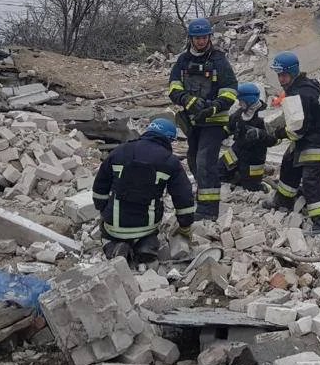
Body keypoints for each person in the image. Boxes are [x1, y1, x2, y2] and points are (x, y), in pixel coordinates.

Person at [92, 119, 195, 264]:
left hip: (115, 224)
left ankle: (114, 246)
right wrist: (185, 225)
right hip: (147, 226)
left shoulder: (119, 151)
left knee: (107, 234)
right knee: (150, 233)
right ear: (169, 139)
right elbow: (183, 197)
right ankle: (146, 246)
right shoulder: (170, 161)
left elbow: (99, 186)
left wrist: (103, 209)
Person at [261, 51, 320, 236]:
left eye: (284, 75)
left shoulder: (300, 94)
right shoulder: (301, 86)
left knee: (311, 179)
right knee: (289, 163)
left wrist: (277, 135)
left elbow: (297, 130)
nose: (281, 79)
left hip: (316, 138)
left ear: (293, 72)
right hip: (312, 134)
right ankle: (284, 200)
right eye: (279, 75)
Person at [168, 17, 237, 220]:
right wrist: (186, 99)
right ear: (191, 38)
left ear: (209, 37)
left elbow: (230, 90)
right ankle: (205, 192)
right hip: (193, 121)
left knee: (205, 160)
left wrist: (215, 106)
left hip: (214, 121)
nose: (201, 41)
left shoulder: (218, 60)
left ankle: (208, 209)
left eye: (204, 37)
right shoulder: (183, 61)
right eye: (197, 38)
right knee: (193, 159)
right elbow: (173, 87)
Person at [219, 82, 277, 193]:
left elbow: (273, 140)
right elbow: (228, 128)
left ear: (249, 100)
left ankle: (265, 185)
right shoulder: (240, 113)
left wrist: (259, 134)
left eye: (241, 101)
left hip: (253, 159)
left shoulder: (263, 117)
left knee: (251, 188)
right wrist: (217, 137)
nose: (239, 104)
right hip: (235, 152)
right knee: (219, 172)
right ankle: (236, 179)